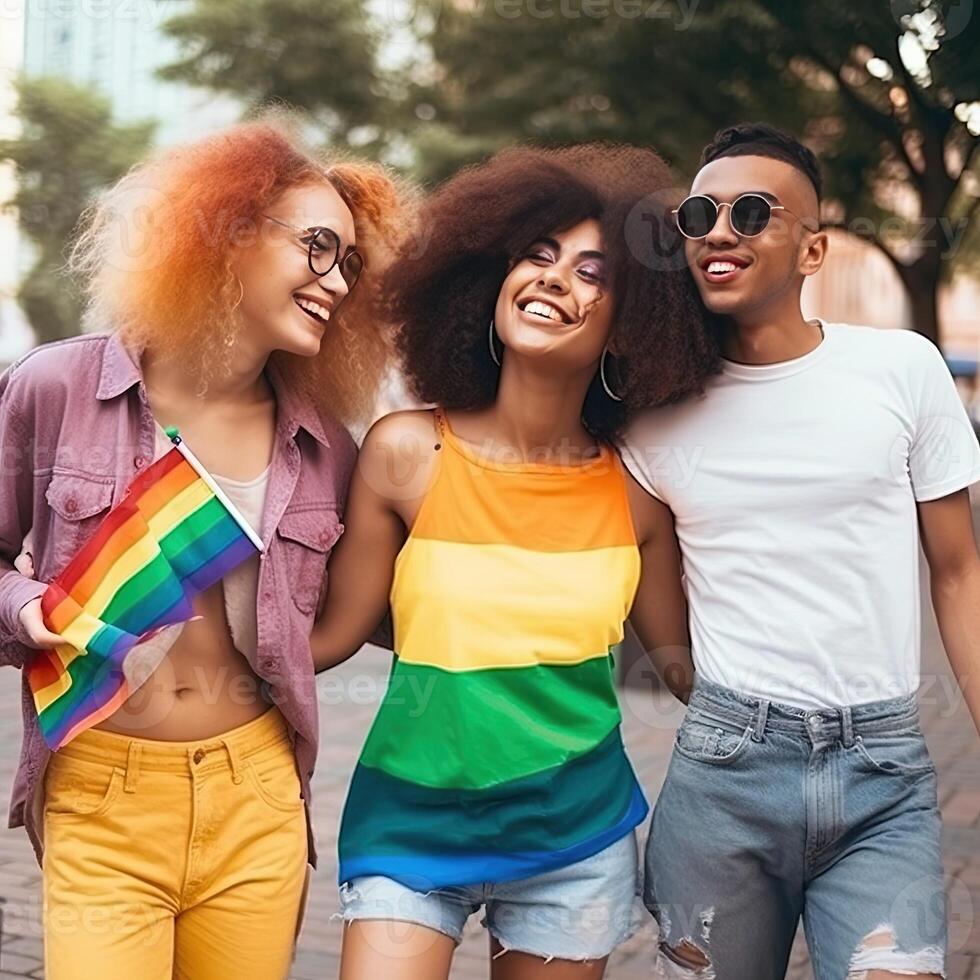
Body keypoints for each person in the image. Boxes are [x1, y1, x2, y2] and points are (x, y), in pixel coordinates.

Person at [0, 117, 407, 979]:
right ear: (220, 235)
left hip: (256, 790)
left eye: (350, 265)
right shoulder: (58, 388)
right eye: (318, 249)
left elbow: (371, 616)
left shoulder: (325, 444)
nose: (335, 282)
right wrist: (22, 607)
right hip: (102, 783)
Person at [308, 143, 719, 979]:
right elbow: (333, 634)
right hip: (409, 824)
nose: (553, 279)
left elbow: (689, 674)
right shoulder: (405, 452)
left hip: (575, 836)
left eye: (592, 272)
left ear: (632, 324)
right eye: (537, 255)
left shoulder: (639, 498)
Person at [620, 122, 980, 980]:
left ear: (813, 248)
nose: (718, 230)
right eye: (699, 214)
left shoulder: (901, 369)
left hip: (883, 776)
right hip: (724, 783)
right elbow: (642, 577)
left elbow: (959, 570)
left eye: (752, 213)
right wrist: (709, 703)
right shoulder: (654, 408)